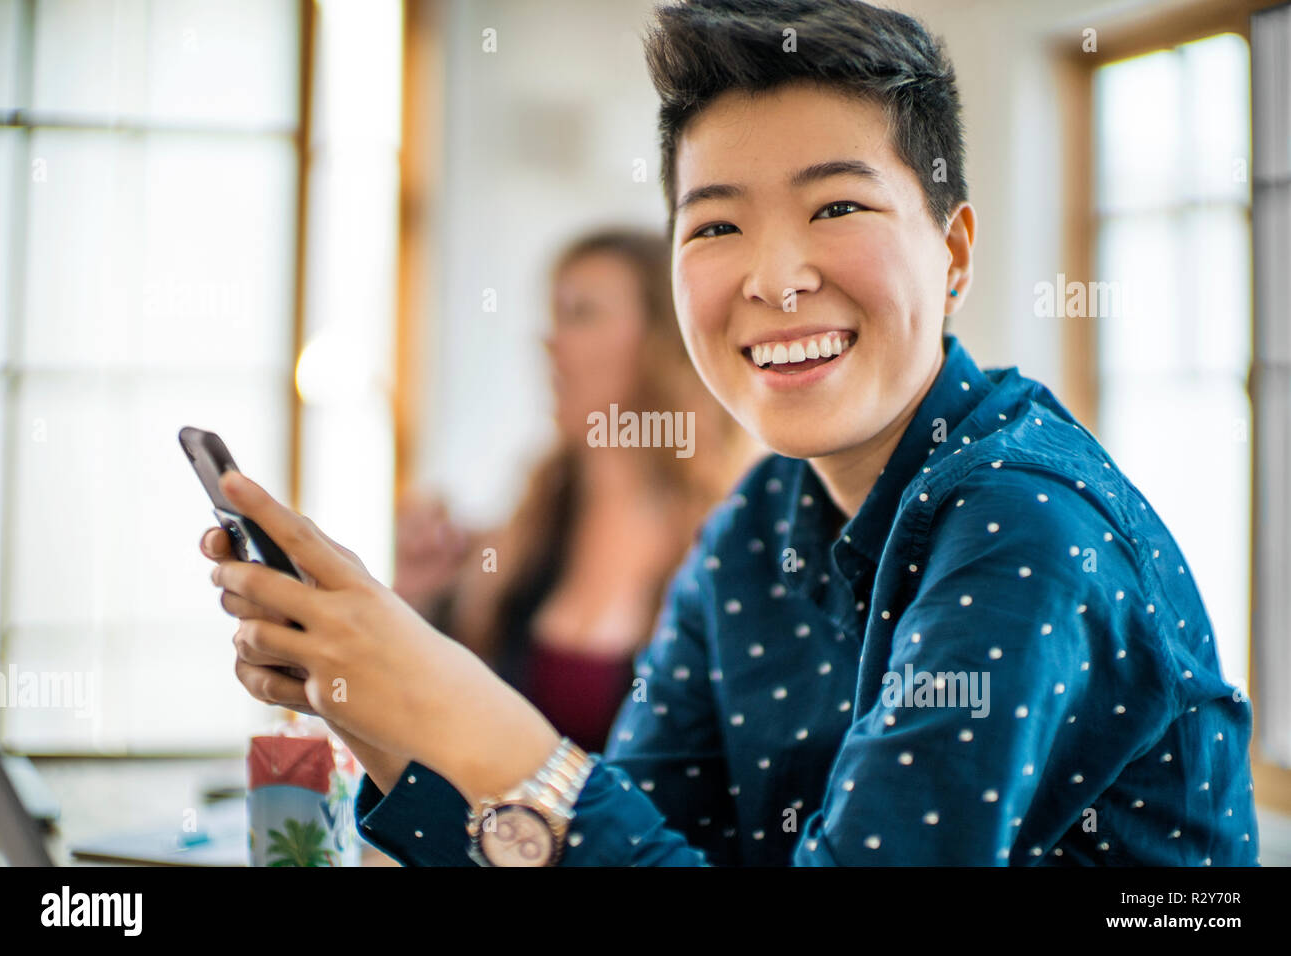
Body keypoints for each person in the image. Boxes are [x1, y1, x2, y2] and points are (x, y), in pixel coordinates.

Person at [200, 0, 1260, 866]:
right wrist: (384, 714)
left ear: (954, 253)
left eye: (836, 208)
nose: (772, 277)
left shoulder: (1023, 522)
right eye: (715, 224)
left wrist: (463, 715)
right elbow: (637, 846)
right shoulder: (760, 522)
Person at [390, 228, 756, 754]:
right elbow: (437, 729)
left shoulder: (728, 540)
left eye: (581, 314)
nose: (550, 342)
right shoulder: (523, 532)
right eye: (555, 315)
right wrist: (415, 602)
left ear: (663, 339)